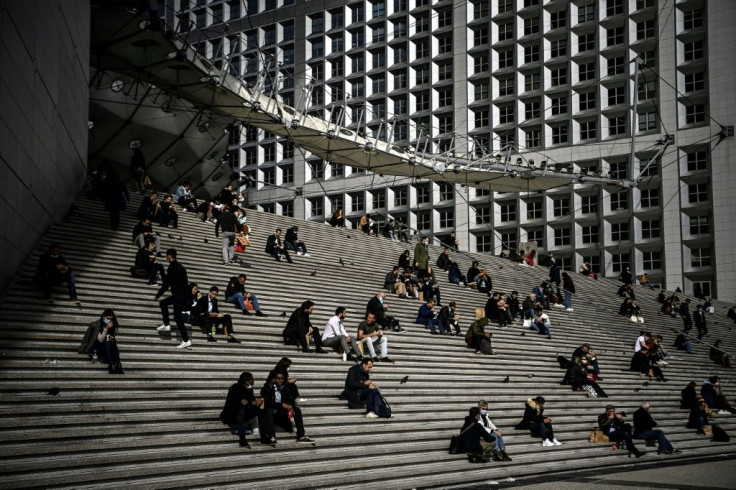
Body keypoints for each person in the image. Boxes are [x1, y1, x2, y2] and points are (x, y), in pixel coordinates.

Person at [260, 370, 314, 444]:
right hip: (272, 414)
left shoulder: (286, 387)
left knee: (297, 410)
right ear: (273, 379)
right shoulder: (267, 388)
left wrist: (290, 407)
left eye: (282, 379)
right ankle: (271, 437)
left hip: (282, 413)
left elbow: (291, 399)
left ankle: (301, 436)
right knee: (269, 409)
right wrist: (281, 405)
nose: (280, 381)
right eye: (278, 379)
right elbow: (267, 402)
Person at [154, 249, 192, 349]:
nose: (166, 257)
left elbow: (167, 284)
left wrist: (158, 295)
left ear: (169, 256)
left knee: (163, 303)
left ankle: (184, 338)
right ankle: (185, 339)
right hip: (182, 296)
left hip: (178, 296)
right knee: (176, 317)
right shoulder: (181, 267)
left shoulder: (173, 267)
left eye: (166, 256)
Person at [219, 371, 266, 448]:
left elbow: (252, 401)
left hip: (243, 414)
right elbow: (239, 403)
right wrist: (252, 402)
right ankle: (242, 440)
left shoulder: (249, 389)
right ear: (246, 381)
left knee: (261, 408)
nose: (253, 382)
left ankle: (264, 436)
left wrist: (257, 402)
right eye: (251, 380)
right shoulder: (235, 388)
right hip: (231, 414)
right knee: (242, 409)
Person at [78, 309, 124, 374]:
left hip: (106, 347)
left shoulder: (112, 325)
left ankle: (118, 365)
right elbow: (100, 339)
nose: (109, 320)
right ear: (103, 317)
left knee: (112, 343)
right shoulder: (96, 325)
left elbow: (108, 338)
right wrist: (106, 328)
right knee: (107, 343)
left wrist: (112, 339)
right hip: (96, 347)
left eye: (111, 319)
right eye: (107, 318)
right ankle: (111, 365)